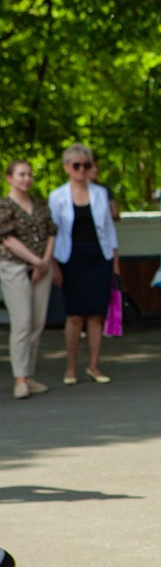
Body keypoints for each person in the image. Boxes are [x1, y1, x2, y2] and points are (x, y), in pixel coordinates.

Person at [49, 144, 119, 385]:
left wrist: (115, 261)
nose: (81, 170)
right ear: (67, 167)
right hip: (70, 258)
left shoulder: (100, 193)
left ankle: (94, 366)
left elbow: (109, 228)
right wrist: (54, 264)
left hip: (99, 258)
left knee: (97, 315)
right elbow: (52, 233)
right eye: (76, 165)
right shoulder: (57, 196)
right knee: (75, 315)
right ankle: (70, 368)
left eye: (86, 165)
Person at [1, 160, 57, 399]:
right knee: (22, 321)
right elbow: (7, 239)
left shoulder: (39, 203)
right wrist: (35, 261)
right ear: (9, 178)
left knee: (37, 322)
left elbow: (51, 232)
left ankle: (29, 374)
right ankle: (20, 379)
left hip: (42, 268)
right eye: (21, 174)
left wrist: (44, 262)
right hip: (14, 267)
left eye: (29, 174)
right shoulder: (4, 206)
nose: (27, 179)